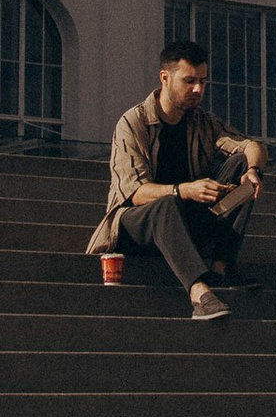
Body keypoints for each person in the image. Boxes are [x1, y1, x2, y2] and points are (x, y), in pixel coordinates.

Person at [90, 40, 265, 319]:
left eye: (202, 81)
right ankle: (200, 294)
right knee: (165, 204)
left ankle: (221, 268)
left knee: (243, 163)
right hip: (135, 226)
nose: (198, 89)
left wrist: (252, 171)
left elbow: (251, 146)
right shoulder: (132, 122)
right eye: (189, 81)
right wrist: (185, 190)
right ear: (165, 78)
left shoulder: (203, 121)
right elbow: (134, 192)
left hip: (186, 223)